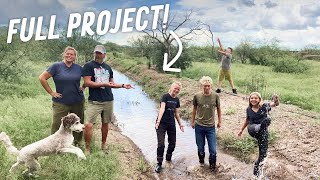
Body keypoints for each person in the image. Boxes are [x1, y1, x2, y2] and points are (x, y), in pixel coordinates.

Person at [82, 45, 133, 154]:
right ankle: (87, 148)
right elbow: (87, 82)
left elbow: (112, 84)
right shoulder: (88, 66)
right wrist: (103, 83)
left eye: (100, 53)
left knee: (105, 124)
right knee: (88, 124)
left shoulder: (108, 68)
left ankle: (103, 144)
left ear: (104, 55)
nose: (98, 55)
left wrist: (123, 85)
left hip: (108, 100)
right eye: (96, 52)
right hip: (94, 101)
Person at [39, 46, 85, 146]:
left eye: (72, 54)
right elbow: (42, 78)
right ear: (64, 54)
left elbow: (88, 78)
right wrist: (51, 93)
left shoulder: (79, 68)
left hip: (77, 101)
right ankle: (54, 145)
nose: (69, 55)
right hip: (60, 102)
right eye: (67, 53)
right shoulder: (56, 66)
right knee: (57, 124)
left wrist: (83, 86)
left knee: (78, 123)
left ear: (75, 56)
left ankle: (76, 143)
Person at [238, 92, 280, 177]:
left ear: (259, 99)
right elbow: (247, 120)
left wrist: (276, 100)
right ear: (249, 99)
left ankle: (257, 171)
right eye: (251, 98)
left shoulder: (264, 106)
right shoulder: (248, 109)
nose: (253, 100)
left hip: (262, 132)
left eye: (255, 98)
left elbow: (275, 104)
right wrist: (241, 130)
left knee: (263, 154)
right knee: (266, 121)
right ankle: (261, 126)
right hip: (252, 129)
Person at [191, 76, 221, 171]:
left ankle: (212, 168)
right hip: (199, 126)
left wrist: (220, 121)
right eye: (205, 86)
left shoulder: (216, 96)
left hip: (211, 127)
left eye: (208, 86)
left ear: (211, 86)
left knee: (213, 150)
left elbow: (219, 109)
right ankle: (202, 164)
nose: (206, 88)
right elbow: (194, 109)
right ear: (202, 86)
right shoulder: (197, 96)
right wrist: (192, 121)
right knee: (200, 148)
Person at [154, 82, 184, 173]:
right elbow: (162, 109)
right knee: (161, 144)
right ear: (171, 87)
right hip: (161, 123)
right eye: (175, 88)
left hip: (171, 124)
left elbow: (176, 113)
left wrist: (180, 124)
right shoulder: (165, 96)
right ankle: (159, 163)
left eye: (178, 89)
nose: (176, 90)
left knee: (172, 143)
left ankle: (168, 159)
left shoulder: (177, 100)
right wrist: (158, 122)